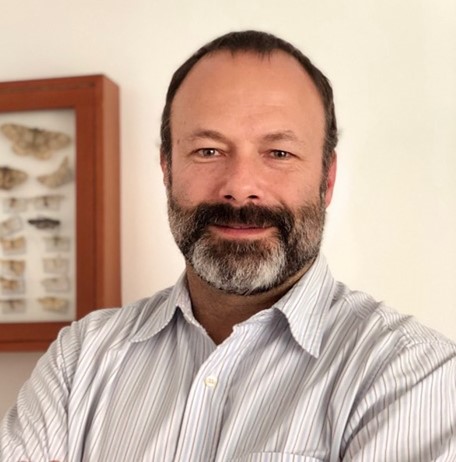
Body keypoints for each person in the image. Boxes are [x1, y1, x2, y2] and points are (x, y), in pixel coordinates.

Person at [1, 30, 455, 462]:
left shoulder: (413, 374)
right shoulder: (81, 358)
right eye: (208, 151)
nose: (240, 187)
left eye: (279, 153)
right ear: (167, 168)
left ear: (327, 179)